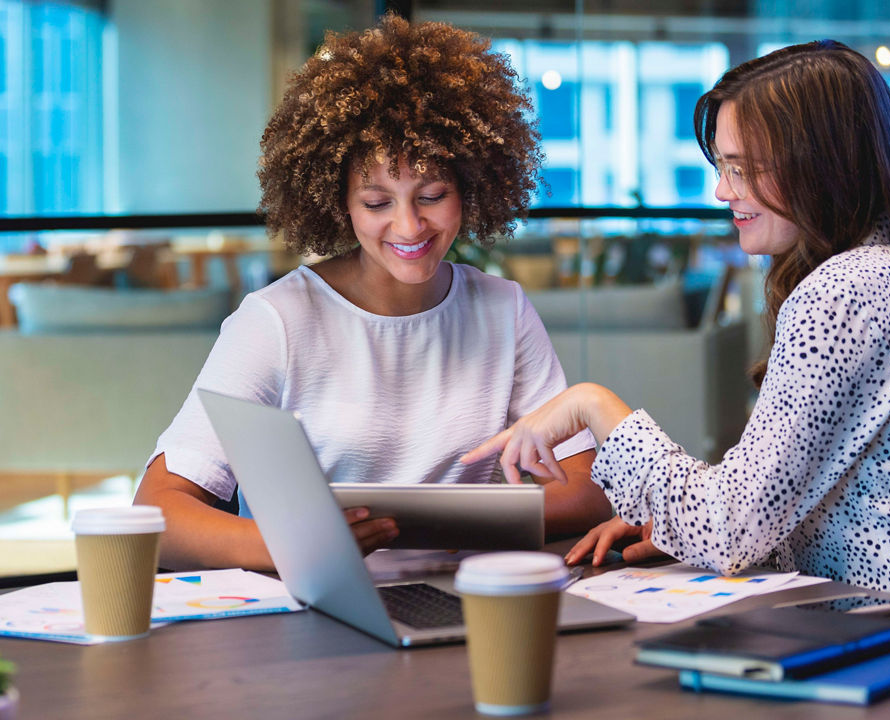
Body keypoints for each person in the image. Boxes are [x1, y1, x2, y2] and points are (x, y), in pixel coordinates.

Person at [464, 40, 890, 603]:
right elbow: (789, 502)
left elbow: (728, 527)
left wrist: (592, 405)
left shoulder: (846, 290)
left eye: (744, 168)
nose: (721, 190)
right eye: (722, 165)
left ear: (824, 168)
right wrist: (679, 528)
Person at [134, 15, 612, 571]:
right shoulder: (276, 321)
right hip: (321, 606)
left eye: (432, 195)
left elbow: (586, 489)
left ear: (471, 188)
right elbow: (158, 513)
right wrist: (292, 545)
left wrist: (442, 521)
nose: (409, 228)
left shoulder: (502, 309)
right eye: (378, 203)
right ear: (339, 201)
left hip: (466, 598)